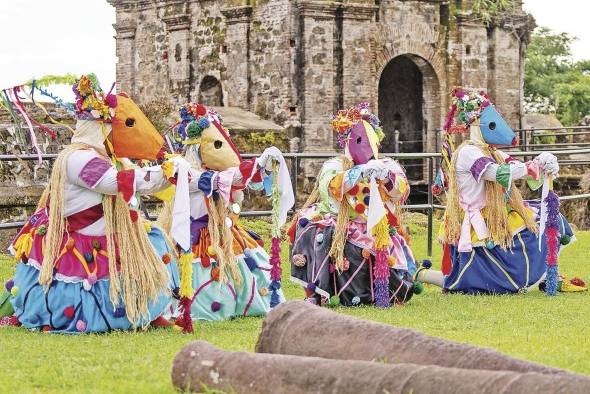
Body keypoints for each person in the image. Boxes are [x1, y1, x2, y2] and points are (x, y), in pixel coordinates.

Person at [4, 74, 178, 332]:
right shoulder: (79, 159)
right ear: (102, 130)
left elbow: (142, 182)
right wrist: (163, 173)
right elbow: (115, 182)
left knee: (155, 240)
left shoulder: (109, 159)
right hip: (81, 238)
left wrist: (172, 173)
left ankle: (152, 311)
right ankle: (119, 314)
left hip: (109, 233)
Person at [420, 88, 586, 294]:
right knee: (467, 281)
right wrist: (529, 167)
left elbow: (514, 164)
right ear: (476, 124)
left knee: (548, 218)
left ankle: (546, 276)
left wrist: (541, 165)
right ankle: (420, 275)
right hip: (477, 221)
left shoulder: (489, 150)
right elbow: (499, 174)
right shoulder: (468, 152)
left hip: (496, 214)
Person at [159, 103, 293, 332]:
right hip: (194, 235)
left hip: (221, 231)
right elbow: (229, 177)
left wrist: (261, 165)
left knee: (246, 257)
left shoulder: (212, 173)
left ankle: (247, 300)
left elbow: (235, 176)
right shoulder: (187, 173)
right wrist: (255, 166)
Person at [288, 103, 417, 307]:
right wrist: (358, 173)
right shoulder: (336, 165)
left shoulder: (387, 165)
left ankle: (384, 292)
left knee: (380, 245)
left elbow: (401, 191)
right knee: (314, 231)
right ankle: (316, 291)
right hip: (340, 222)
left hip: (375, 226)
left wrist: (385, 177)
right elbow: (329, 186)